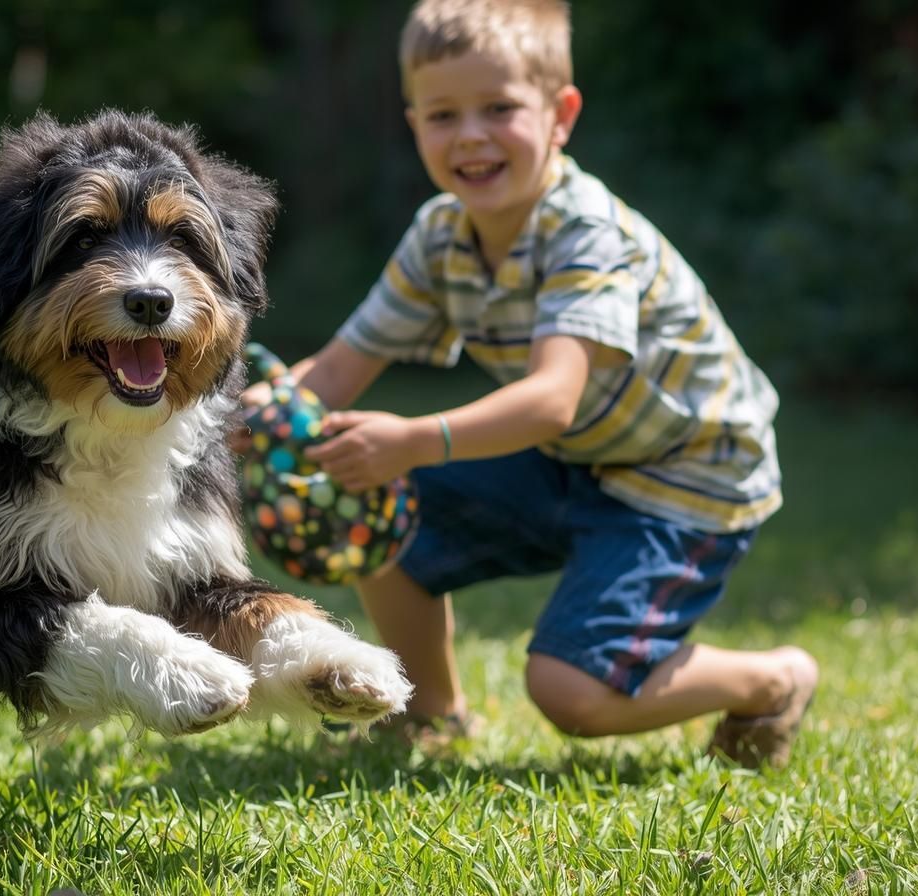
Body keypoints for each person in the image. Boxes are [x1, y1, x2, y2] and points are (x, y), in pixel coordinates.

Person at [247, 0, 817, 768]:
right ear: (413, 122)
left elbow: (554, 399)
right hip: (573, 453)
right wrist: (268, 411)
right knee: (382, 517)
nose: (471, 135)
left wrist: (415, 440)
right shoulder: (440, 235)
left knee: (570, 692)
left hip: (684, 475)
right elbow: (342, 368)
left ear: (561, 115)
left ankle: (773, 680)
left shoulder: (585, 232)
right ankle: (436, 717)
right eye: (443, 114)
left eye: (500, 108)